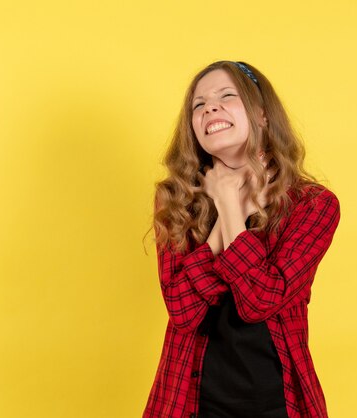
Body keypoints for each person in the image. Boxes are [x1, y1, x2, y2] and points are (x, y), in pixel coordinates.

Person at [143, 60, 341, 418]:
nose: (210, 108)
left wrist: (231, 208)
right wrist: (224, 204)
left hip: (278, 403)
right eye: (198, 105)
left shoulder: (313, 206)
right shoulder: (175, 199)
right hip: (189, 401)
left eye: (225, 96)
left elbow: (259, 301)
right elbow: (183, 311)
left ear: (262, 115)